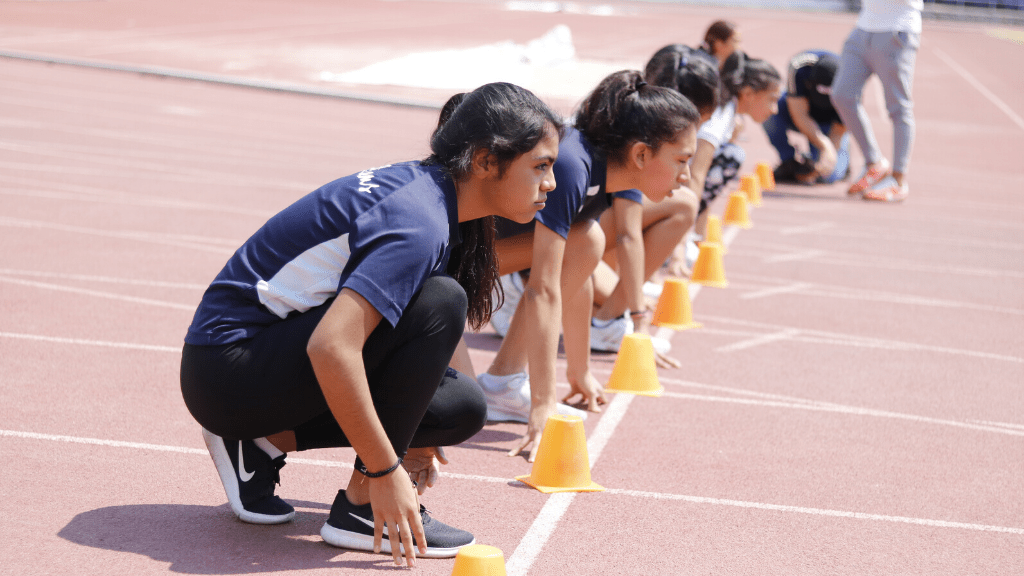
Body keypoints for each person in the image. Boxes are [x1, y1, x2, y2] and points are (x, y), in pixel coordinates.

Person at [179, 82, 564, 566]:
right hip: (226, 370)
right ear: (486, 162)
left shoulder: (437, 198)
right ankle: (360, 509)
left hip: (257, 362)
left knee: (459, 407)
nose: (551, 183)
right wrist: (385, 470)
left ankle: (259, 444)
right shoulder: (419, 220)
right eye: (541, 166)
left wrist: (415, 436)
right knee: (442, 300)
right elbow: (332, 346)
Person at [480, 70, 700, 460]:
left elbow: (576, 272)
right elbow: (544, 288)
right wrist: (543, 404)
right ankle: (502, 383)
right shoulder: (571, 166)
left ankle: (502, 383)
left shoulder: (612, 173)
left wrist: (578, 370)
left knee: (588, 239)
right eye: (682, 160)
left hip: (491, 256)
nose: (686, 177)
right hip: (450, 260)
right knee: (450, 409)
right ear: (641, 154)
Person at [590, 44, 718, 322]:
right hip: (547, 246)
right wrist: (635, 320)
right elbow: (627, 233)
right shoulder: (636, 141)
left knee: (605, 295)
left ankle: (604, 317)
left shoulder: (634, 118)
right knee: (682, 204)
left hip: (572, 239)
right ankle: (604, 321)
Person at [682, 52, 782, 266]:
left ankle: (687, 236)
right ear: (748, 94)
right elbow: (697, 176)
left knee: (729, 156)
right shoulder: (719, 117)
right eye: (771, 99)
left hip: (673, 181)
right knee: (731, 157)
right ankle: (675, 237)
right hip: (664, 187)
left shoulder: (729, 115)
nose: (775, 110)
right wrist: (681, 243)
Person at [831, 0, 922, 202]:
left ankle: (898, 180)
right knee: (842, 94)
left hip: (897, 29)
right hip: (863, 27)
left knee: (899, 107)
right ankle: (874, 162)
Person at [762, 50, 850, 185]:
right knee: (769, 112)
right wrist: (824, 146)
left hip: (829, 124)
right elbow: (799, 115)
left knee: (827, 176)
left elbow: (838, 129)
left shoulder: (849, 81)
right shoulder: (799, 67)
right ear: (809, 83)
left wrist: (829, 151)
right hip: (799, 111)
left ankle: (843, 155)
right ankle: (788, 161)